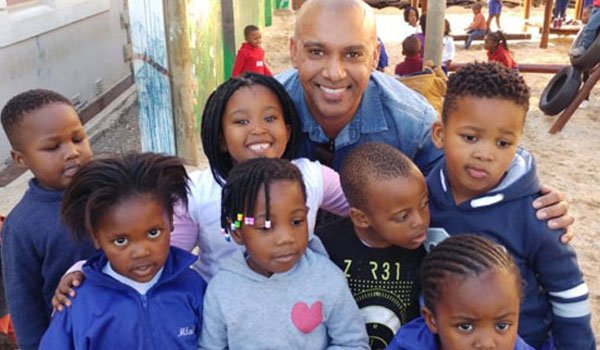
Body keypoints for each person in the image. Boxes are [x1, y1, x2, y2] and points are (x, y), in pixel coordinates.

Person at [278, 0, 572, 241]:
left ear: (375, 56)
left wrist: (531, 196)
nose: (334, 72)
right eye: (316, 52)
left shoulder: (411, 122)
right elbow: (232, 198)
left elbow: (476, 159)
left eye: (353, 54)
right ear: (293, 51)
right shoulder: (262, 109)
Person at [427, 62, 595, 349]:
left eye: (503, 143)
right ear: (440, 135)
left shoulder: (537, 212)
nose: (485, 154)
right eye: (470, 137)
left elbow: (567, 289)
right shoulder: (421, 194)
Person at [39, 153, 207, 349]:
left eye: (153, 233)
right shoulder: (78, 303)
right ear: (96, 237)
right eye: (120, 240)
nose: (141, 252)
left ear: (170, 221)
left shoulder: (192, 286)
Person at [199, 158, 369, 349]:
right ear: (237, 231)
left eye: (296, 221)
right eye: (265, 226)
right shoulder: (222, 289)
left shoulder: (326, 278)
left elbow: (353, 343)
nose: (286, 238)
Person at [317, 142, 447, 349]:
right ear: (361, 218)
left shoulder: (431, 250)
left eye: (424, 205)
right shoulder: (323, 249)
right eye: (403, 216)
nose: (420, 221)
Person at [0, 89, 96, 349]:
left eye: (78, 138)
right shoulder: (21, 226)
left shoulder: (114, 192)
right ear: (20, 158)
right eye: (53, 147)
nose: (72, 152)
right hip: (72, 339)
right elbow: (24, 303)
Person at [387, 234, 535, 350]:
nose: (486, 344)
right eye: (466, 327)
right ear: (432, 320)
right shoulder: (407, 345)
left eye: (501, 326)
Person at [576, 6, 593, 109]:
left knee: (587, 78)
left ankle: (585, 99)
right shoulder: (585, 29)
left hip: (591, 58)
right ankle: (583, 97)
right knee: (583, 77)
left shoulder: (592, 30)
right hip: (585, 58)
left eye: (585, 15)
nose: (582, 17)